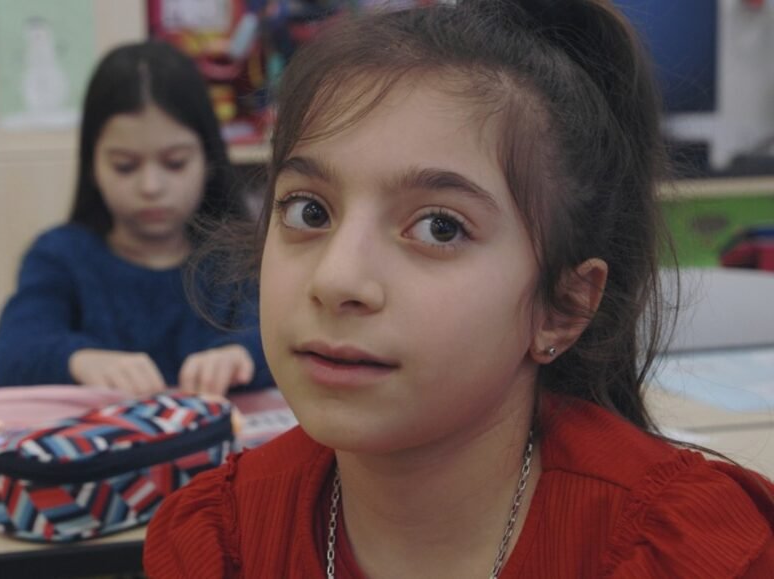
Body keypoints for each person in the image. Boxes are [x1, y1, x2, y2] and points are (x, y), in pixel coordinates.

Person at [144, 2, 774, 577]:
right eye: (309, 211)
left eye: (438, 226)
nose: (336, 280)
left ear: (563, 306)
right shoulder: (217, 542)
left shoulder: (685, 553)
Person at [0, 40, 272, 397]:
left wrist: (242, 355)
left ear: (208, 160)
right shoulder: (59, 256)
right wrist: (79, 359)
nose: (151, 187)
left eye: (175, 163)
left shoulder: (238, 256)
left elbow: (290, 339)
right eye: (125, 166)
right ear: (93, 166)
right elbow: (12, 356)